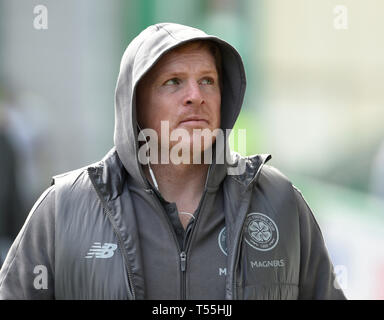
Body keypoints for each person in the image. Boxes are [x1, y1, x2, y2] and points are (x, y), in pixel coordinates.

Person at [0, 23, 346, 300]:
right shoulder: (65, 208)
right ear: (135, 105)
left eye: (207, 81)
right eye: (174, 82)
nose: (195, 96)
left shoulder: (279, 200)